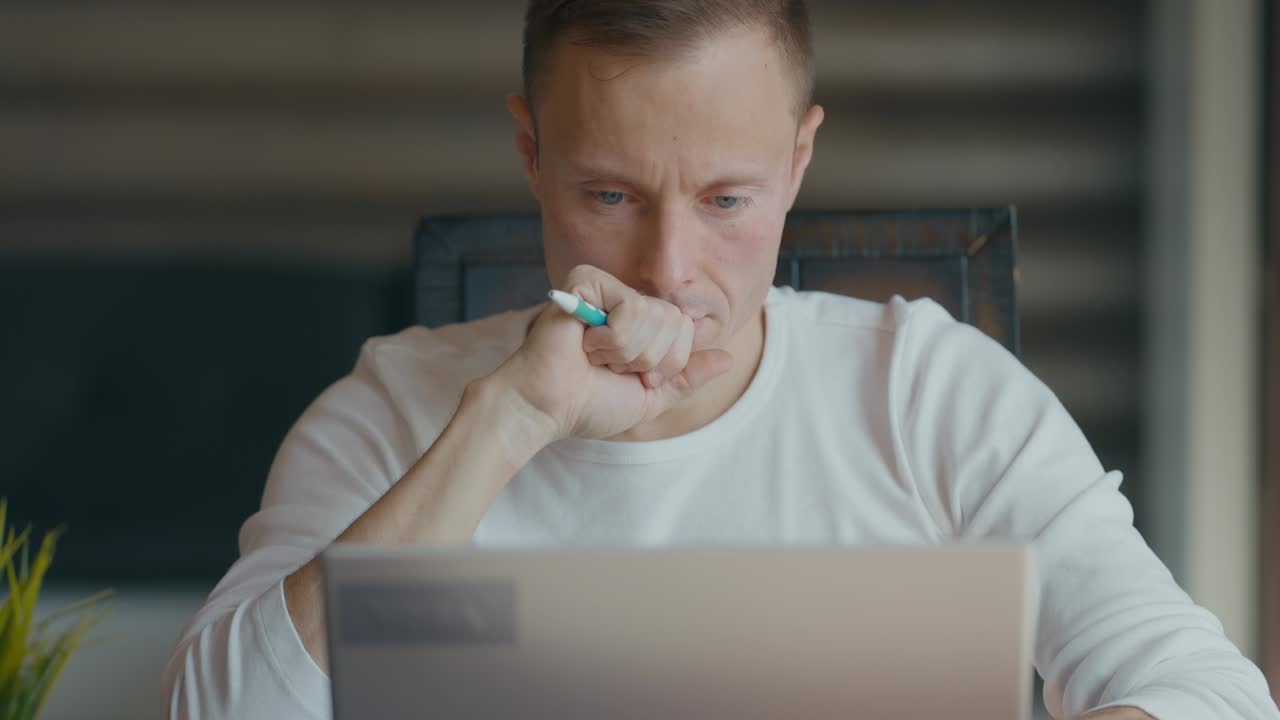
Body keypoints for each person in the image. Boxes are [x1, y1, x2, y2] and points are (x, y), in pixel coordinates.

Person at [162, 1, 1280, 718]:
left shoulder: (929, 395)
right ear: (529, 153)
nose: (668, 269)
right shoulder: (395, 413)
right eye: (610, 195)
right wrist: (503, 425)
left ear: (797, 162)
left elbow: (1210, 695)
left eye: (726, 200)